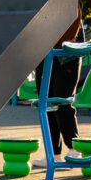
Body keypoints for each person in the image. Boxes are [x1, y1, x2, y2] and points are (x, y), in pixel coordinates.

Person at [32, 10, 85, 167]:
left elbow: (72, 27)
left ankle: (74, 148)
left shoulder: (70, 1)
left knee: (62, 102)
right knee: (47, 104)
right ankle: (53, 153)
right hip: (46, 54)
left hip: (67, 56)